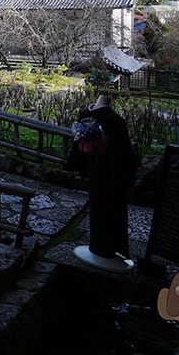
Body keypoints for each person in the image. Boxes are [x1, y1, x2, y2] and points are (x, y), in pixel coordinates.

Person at [70, 94, 137, 261]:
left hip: (92, 167)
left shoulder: (86, 115)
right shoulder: (115, 121)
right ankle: (107, 248)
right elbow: (124, 154)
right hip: (110, 172)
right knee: (111, 210)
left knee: (97, 207)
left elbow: (78, 143)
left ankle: (98, 245)